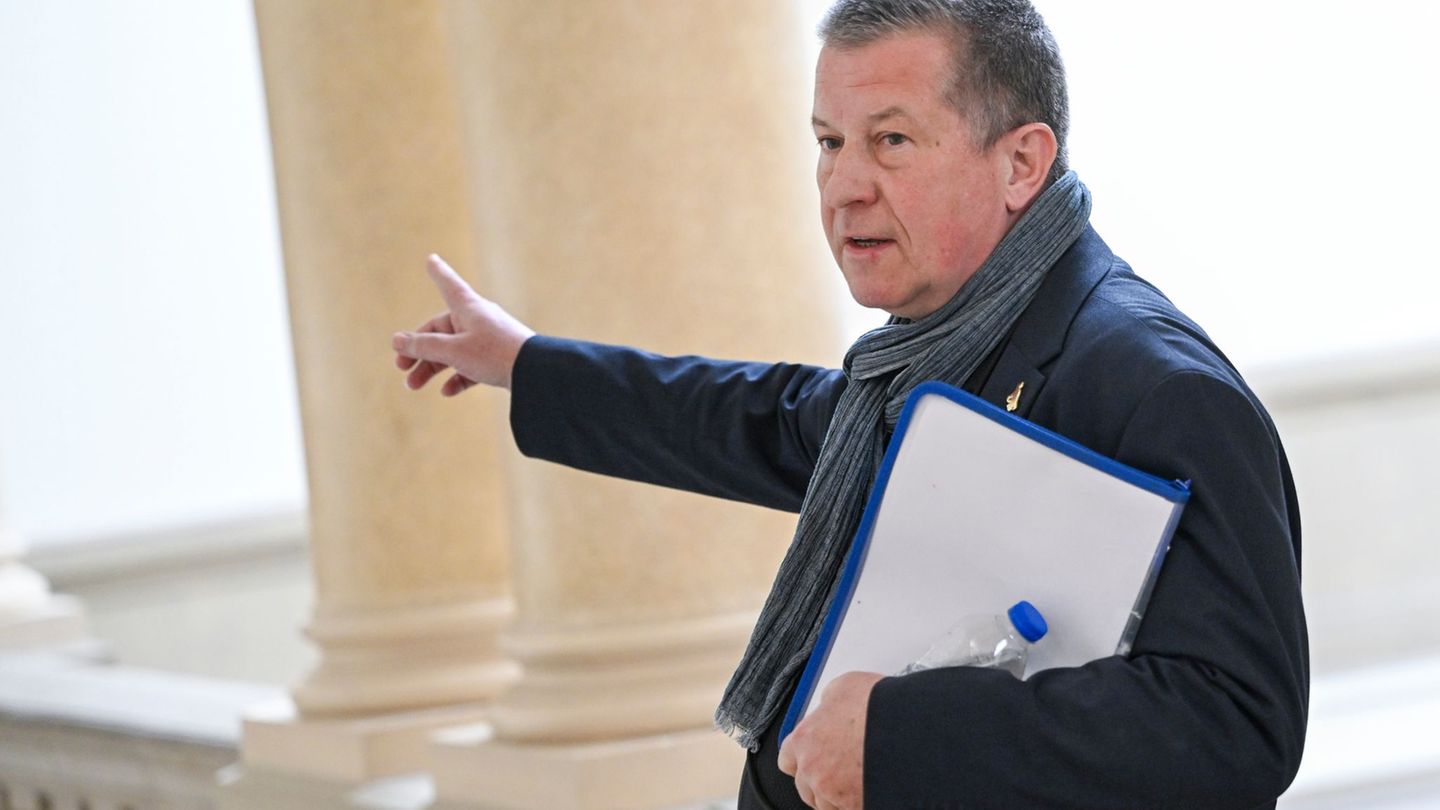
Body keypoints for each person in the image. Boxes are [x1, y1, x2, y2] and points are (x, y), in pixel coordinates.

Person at [391, 1, 1308, 807]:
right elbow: (753, 418)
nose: (845, 186)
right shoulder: (933, 355)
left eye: (892, 141)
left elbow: (1233, 727)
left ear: (1022, 162)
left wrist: (895, 736)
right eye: (830, 142)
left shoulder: (1156, 384)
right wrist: (527, 363)